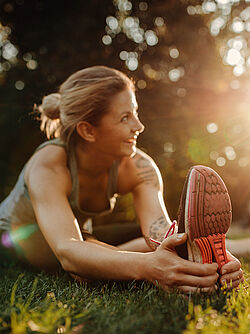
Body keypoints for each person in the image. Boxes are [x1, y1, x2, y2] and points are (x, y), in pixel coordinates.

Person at [0, 66, 243, 293]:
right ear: (88, 130)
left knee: (141, 247)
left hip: (82, 237)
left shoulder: (138, 165)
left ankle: (236, 247)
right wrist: (149, 267)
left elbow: (157, 231)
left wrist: (203, 251)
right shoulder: (50, 163)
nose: (139, 126)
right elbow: (68, 250)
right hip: (17, 243)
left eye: (135, 113)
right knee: (84, 269)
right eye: (125, 117)